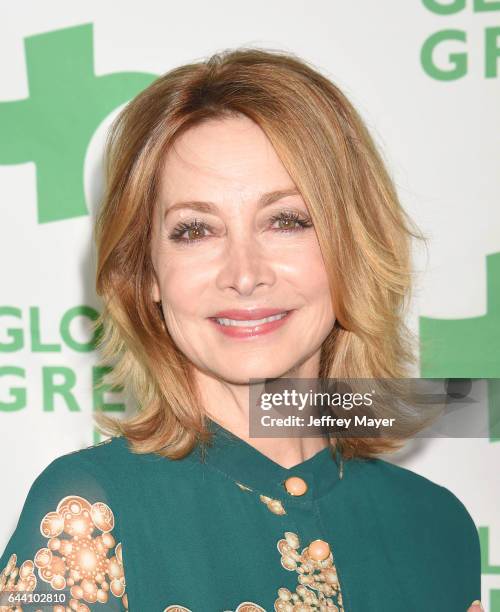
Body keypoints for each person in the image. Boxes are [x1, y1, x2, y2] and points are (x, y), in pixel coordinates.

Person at [0, 48, 482, 612]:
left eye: (287, 221)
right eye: (195, 231)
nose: (245, 274)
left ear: (351, 246)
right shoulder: (88, 517)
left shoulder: (437, 526)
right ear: (147, 271)